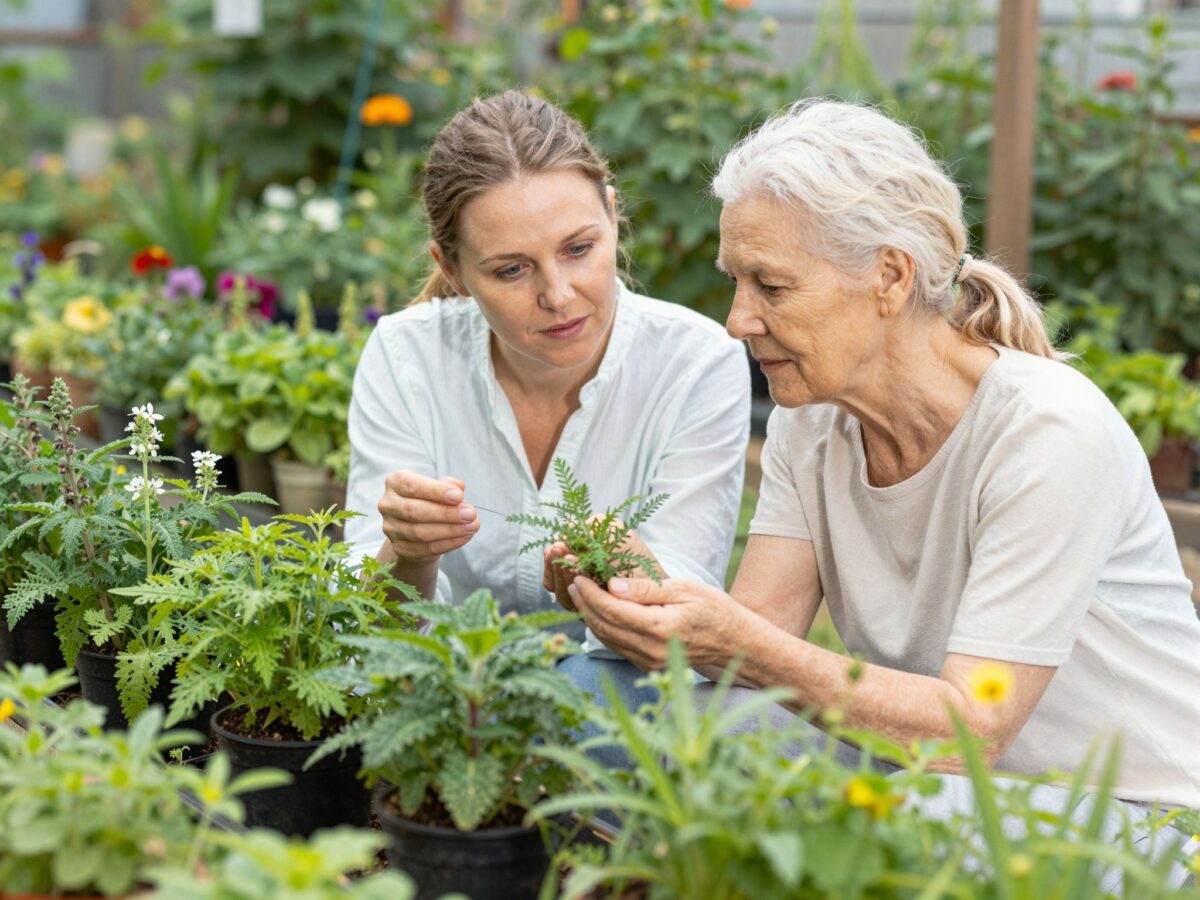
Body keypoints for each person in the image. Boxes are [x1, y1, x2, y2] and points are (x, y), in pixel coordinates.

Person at [564, 99, 1200, 883]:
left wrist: (735, 641)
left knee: (888, 826)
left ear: (890, 277)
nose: (737, 321)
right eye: (737, 283)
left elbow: (977, 727)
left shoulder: (1046, 433)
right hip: (924, 779)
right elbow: (758, 637)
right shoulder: (813, 417)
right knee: (592, 699)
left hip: (1135, 817)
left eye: (770, 286)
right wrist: (650, 604)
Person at [345, 90, 750, 665]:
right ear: (452, 271)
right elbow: (365, 629)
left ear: (613, 215)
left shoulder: (696, 363)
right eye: (511, 269)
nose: (559, 296)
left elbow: (681, 629)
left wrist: (625, 577)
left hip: (619, 698)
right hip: (441, 691)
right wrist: (407, 553)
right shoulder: (406, 355)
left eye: (579, 248)